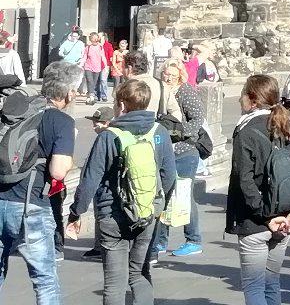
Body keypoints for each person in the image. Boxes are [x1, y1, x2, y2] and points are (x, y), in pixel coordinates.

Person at [67, 78, 177, 305]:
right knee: (139, 273)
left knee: (114, 284)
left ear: (122, 105)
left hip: (113, 215)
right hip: (147, 213)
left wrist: (76, 212)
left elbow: (90, 180)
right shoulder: (160, 131)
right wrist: (157, 206)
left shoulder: (109, 136)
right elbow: (169, 176)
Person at [228, 74, 290, 305]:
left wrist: (265, 216)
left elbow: (245, 181)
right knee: (272, 282)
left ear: (252, 99)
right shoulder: (286, 126)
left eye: (243, 94)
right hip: (286, 216)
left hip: (256, 220)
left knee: (254, 286)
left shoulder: (246, 132)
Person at [0, 65, 74, 304]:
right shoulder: (60, 120)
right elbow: (58, 171)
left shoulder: (17, 109)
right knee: (44, 279)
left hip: (1, 199)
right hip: (31, 206)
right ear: (69, 92)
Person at [152, 56, 206, 257]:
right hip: (165, 151)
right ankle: (160, 241)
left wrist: (181, 133)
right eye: (166, 74)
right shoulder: (160, 91)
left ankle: (193, 239)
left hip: (185, 151)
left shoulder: (185, 92)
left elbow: (198, 118)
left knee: (184, 196)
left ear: (180, 76)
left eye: (173, 75)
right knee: (163, 195)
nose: (169, 78)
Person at [83, 33, 109, 103]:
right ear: (91, 39)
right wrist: (81, 64)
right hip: (88, 67)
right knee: (89, 81)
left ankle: (89, 96)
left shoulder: (100, 47)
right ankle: (91, 96)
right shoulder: (87, 47)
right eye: (93, 38)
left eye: (96, 38)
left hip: (97, 67)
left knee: (94, 83)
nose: (95, 39)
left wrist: (106, 67)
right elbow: (84, 57)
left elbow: (103, 57)